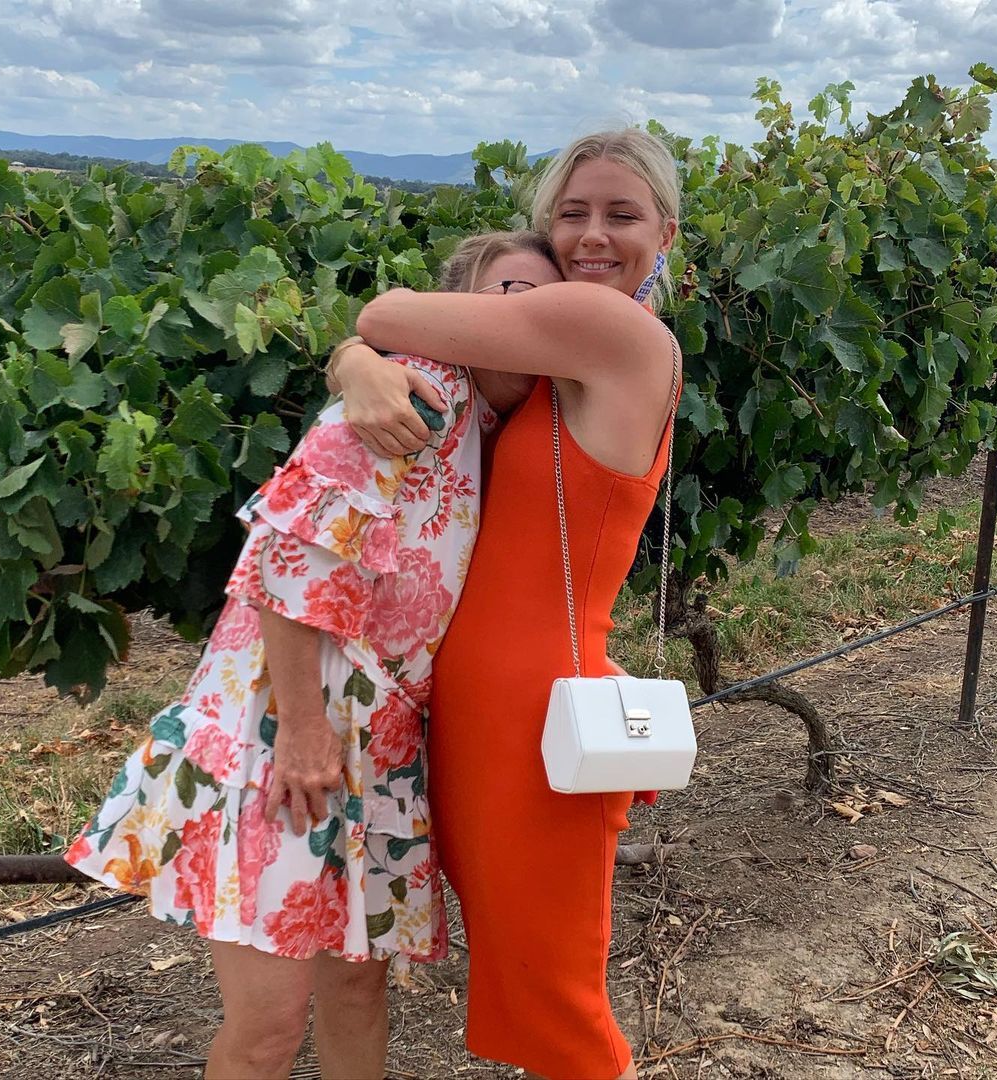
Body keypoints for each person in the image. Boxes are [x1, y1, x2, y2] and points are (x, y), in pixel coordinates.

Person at [63, 230, 564, 1080]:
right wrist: (300, 729)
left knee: (357, 994)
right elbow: (288, 551)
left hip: (378, 755)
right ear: (455, 312)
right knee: (268, 1027)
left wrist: (348, 356)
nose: (527, 317)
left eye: (546, 302)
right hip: (290, 736)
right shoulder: (422, 396)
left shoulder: (504, 426)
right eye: (508, 293)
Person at [329, 128, 683, 1080]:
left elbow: (386, 312)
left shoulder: (608, 328)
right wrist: (357, 364)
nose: (593, 234)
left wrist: (360, 353)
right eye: (572, 213)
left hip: (531, 714)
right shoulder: (559, 365)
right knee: (530, 985)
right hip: (488, 710)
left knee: (561, 1009)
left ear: (666, 235)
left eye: (622, 214)